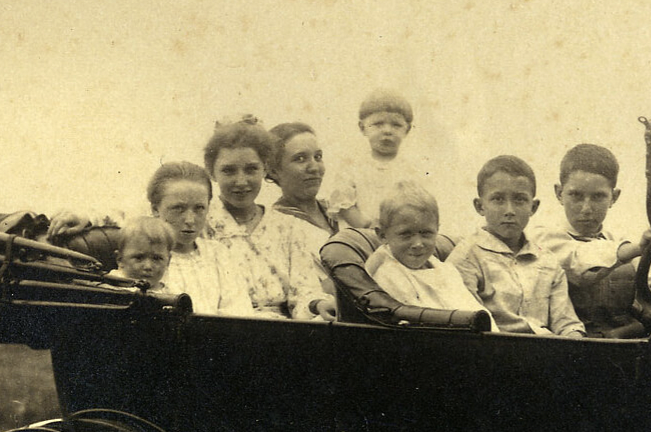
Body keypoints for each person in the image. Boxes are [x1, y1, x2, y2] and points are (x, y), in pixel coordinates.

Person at [203, 116, 331, 319]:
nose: (241, 181)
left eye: (251, 169)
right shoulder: (202, 226)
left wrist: (317, 305)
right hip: (225, 329)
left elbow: (305, 292)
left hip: (283, 332)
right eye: (229, 171)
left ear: (264, 168)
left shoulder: (287, 227)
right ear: (211, 172)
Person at [452, 156, 583, 336]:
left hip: (548, 350)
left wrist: (574, 336)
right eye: (498, 199)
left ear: (533, 207)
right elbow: (470, 323)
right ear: (480, 206)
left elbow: (566, 321)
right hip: (493, 350)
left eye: (520, 200)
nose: (509, 211)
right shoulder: (466, 258)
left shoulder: (547, 261)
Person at [530, 143, 651, 337]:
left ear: (614, 197)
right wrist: (639, 247)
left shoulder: (616, 241)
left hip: (626, 342)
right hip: (575, 347)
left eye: (597, 197)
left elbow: (649, 289)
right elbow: (579, 261)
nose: (586, 208)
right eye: (576, 195)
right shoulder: (543, 239)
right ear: (559, 193)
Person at [145, 161, 254, 317]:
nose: (190, 219)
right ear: (155, 209)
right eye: (178, 208)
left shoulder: (218, 254)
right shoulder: (145, 258)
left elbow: (238, 312)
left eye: (199, 208)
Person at [329, 89, 435, 239]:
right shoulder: (352, 166)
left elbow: (418, 207)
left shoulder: (412, 170)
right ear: (362, 127)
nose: (387, 130)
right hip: (360, 235)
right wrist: (366, 226)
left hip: (398, 237)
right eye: (378, 124)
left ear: (407, 129)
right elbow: (344, 204)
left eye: (396, 125)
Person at [365, 184, 485, 314]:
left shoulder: (446, 270)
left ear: (437, 230)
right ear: (383, 235)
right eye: (406, 234)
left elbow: (472, 308)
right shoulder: (389, 275)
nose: (418, 244)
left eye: (426, 233)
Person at [114, 215, 174, 291]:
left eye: (157, 258)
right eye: (139, 258)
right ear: (120, 259)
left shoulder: (169, 292)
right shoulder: (111, 288)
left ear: (168, 261)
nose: (148, 267)